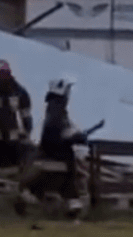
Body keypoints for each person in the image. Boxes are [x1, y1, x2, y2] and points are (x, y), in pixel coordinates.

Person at [33, 75, 90, 219]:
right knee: (70, 163)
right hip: (54, 156)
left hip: (52, 154)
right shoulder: (56, 109)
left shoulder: (56, 108)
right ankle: (71, 201)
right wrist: (75, 137)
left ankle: (71, 200)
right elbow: (57, 133)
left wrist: (75, 135)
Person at [0, 59, 33, 169]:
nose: (0, 76)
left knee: (9, 170)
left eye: (3, 73)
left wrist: (26, 135)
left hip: (11, 144)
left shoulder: (19, 92)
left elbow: (26, 117)